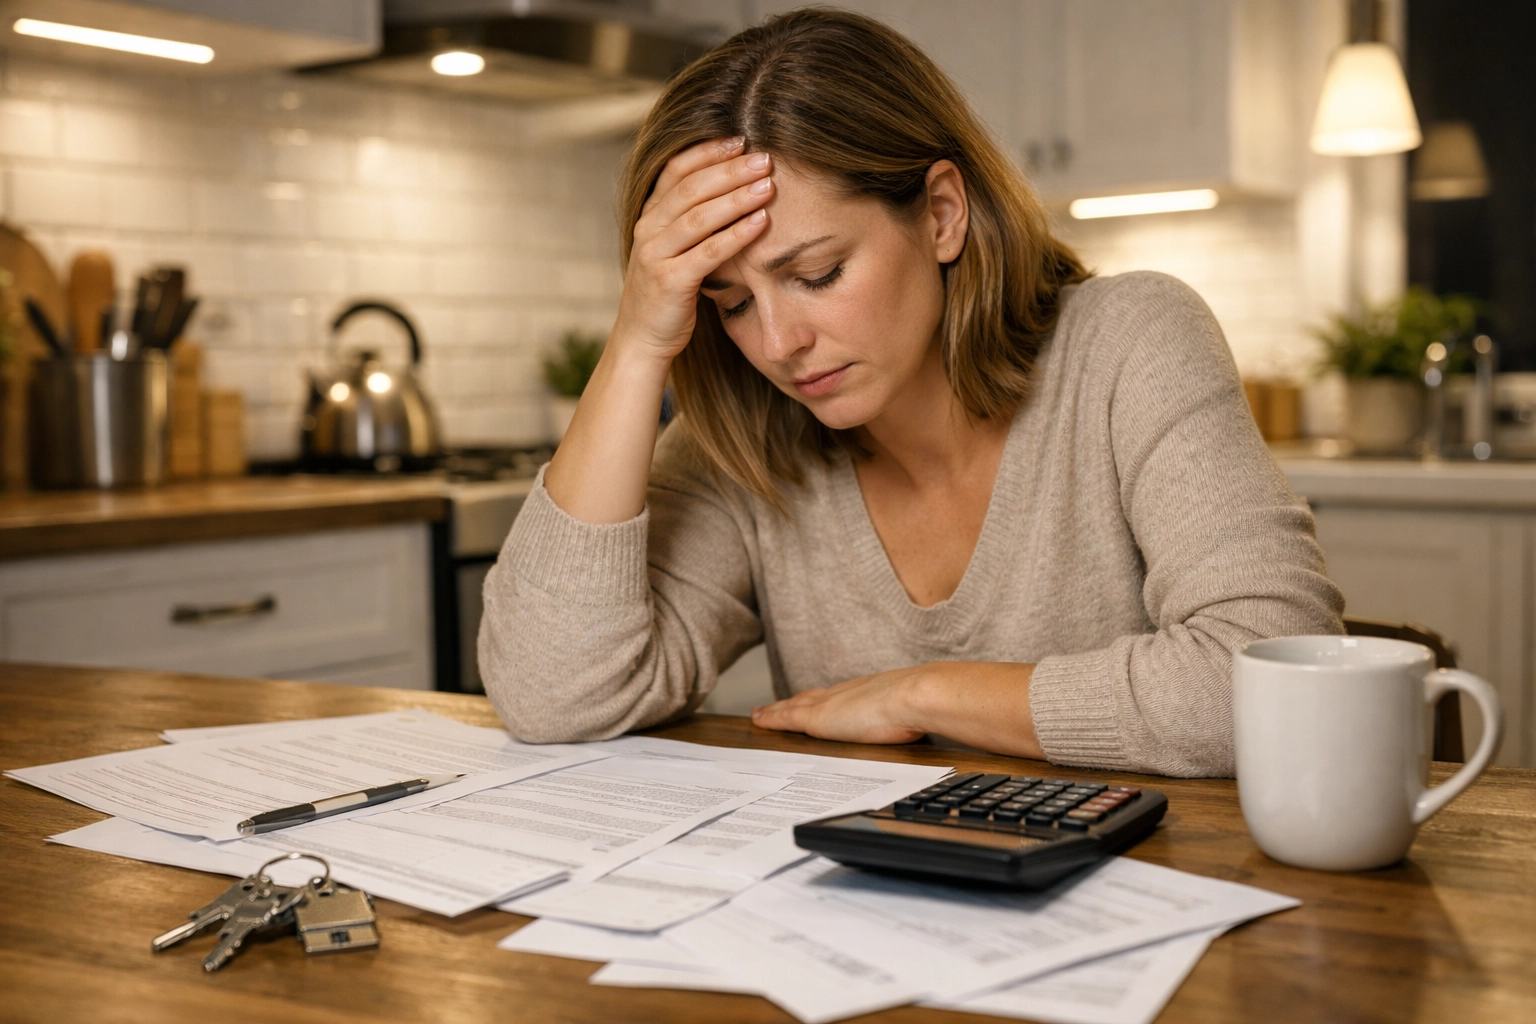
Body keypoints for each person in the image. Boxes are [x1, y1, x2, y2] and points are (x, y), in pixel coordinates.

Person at [479, 8, 1343, 777]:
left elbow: (1277, 680)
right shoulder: (744, 437)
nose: (777, 345)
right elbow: (552, 696)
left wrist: (923, 694)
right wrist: (637, 341)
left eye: (817, 274)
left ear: (940, 214)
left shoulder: (1128, 344)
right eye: (732, 303)